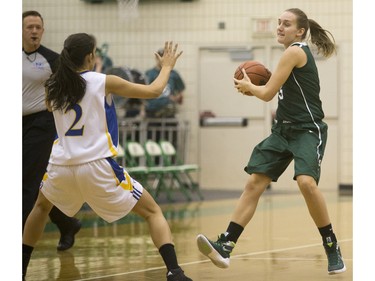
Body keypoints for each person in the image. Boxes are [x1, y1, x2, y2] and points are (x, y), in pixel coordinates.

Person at [22, 34, 192, 281]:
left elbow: (50, 107)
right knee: (153, 212)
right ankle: (174, 272)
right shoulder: (103, 81)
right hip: (96, 164)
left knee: (39, 208)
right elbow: (155, 91)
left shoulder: (53, 85)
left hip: (61, 165)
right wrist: (166, 66)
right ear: (91, 57)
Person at [196, 8, 346, 275]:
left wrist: (248, 86)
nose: (279, 27)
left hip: (307, 131)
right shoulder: (290, 53)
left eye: (286, 24)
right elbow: (275, 94)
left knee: (306, 183)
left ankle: (331, 244)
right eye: (279, 23)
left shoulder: (295, 51)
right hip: (283, 130)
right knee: (254, 182)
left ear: (300, 31)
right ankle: (226, 245)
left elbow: (266, 94)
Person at [22, 10, 81, 251]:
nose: (34, 31)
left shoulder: (52, 60)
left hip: (41, 124)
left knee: (26, 182)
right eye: (29, 27)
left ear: (43, 31)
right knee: (36, 184)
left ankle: (19, 244)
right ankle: (67, 223)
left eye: (38, 27)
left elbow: (73, 87)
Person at [145, 48, 185, 118]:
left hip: (168, 109)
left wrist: (175, 98)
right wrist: (142, 109)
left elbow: (181, 90)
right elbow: (143, 92)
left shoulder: (173, 74)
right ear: (156, 58)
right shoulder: (149, 74)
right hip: (152, 109)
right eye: (160, 57)